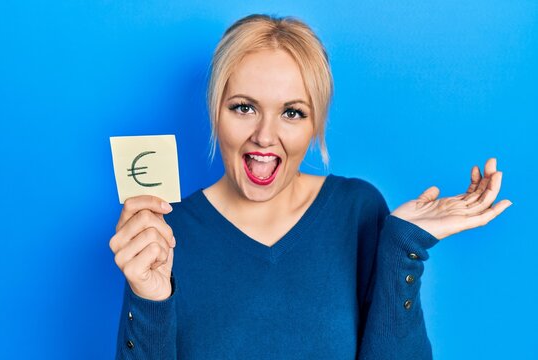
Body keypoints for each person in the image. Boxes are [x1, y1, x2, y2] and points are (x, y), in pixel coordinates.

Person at [109, 14, 512, 359]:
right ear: (216, 112)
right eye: (244, 107)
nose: (265, 136)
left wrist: (402, 249)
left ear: (315, 124)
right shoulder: (163, 232)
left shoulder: (358, 210)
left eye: (292, 112)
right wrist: (148, 296)